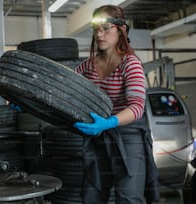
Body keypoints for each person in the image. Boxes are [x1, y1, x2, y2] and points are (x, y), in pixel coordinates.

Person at [73, 5, 160, 204]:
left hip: (128, 138)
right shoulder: (88, 66)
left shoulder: (130, 64)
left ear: (121, 30)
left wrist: (109, 122)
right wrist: (31, 100)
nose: (99, 34)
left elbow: (137, 107)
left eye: (106, 28)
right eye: (95, 28)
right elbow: (65, 86)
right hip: (99, 137)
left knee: (128, 198)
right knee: (91, 195)